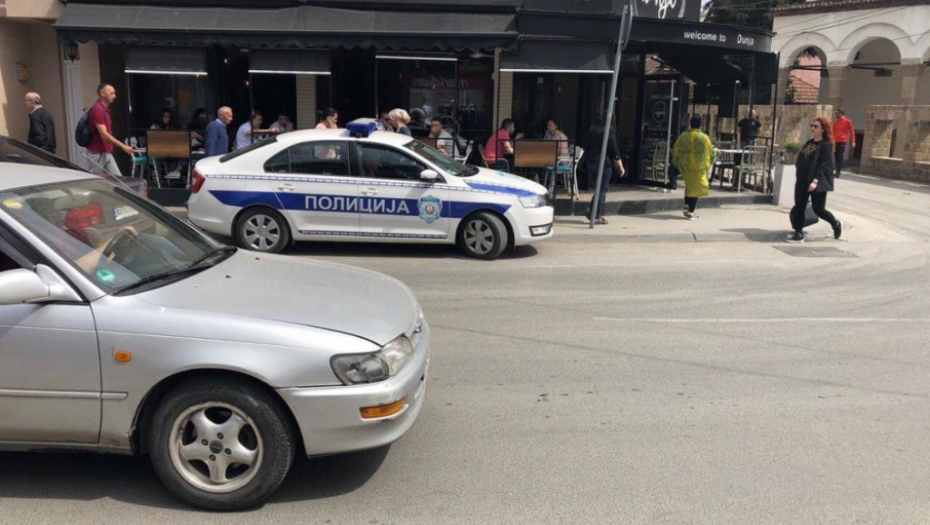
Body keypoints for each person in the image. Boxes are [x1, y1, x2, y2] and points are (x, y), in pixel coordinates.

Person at [787, 116, 843, 243]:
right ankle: (798, 233)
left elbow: (823, 165)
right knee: (799, 206)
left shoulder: (826, 145)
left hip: (817, 182)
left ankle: (835, 224)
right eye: (812, 126)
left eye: (816, 126)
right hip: (802, 180)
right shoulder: (809, 143)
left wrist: (815, 181)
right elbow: (802, 160)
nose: (812, 128)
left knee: (819, 210)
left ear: (823, 129)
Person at [585, 116, 625, 225]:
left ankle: (592, 210)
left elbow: (587, 145)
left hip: (591, 162)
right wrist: (621, 166)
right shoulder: (609, 133)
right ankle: (597, 215)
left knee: (599, 188)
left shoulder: (592, 130)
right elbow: (614, 151)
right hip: (604, 164)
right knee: (602, 189)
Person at [672, 115, 715, 220]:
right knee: (696, 188)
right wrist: (716, 153)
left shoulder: (683, 136)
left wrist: (678, 162)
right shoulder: (704, 137)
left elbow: (676, 149)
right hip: (698, 167)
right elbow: (710, 151)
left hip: (685, 166)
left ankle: (687, 206)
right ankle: (691, 212)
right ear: (700, 124)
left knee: (689, 186)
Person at [88, 83, 134, 176]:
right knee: (98, 180)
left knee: (117, 179)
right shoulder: (97, 110)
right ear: (102, 94)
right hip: (97, 152)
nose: (114, 96)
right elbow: (104, 134)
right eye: (111, 93)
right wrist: (123, 146)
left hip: (105, 150)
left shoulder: (105, 110)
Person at [832, 108, 855, 179]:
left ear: (841, 113)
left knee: (840, 156)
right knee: (836, 156)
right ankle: (836, 170)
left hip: (842, 141)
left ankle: (838, 172)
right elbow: (832, 132)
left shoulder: (848, 121)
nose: (836, 115)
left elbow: (852, 132)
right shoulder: (835, 122)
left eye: (837, 113)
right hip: (835, 141)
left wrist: (853, 141)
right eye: (835, 113)